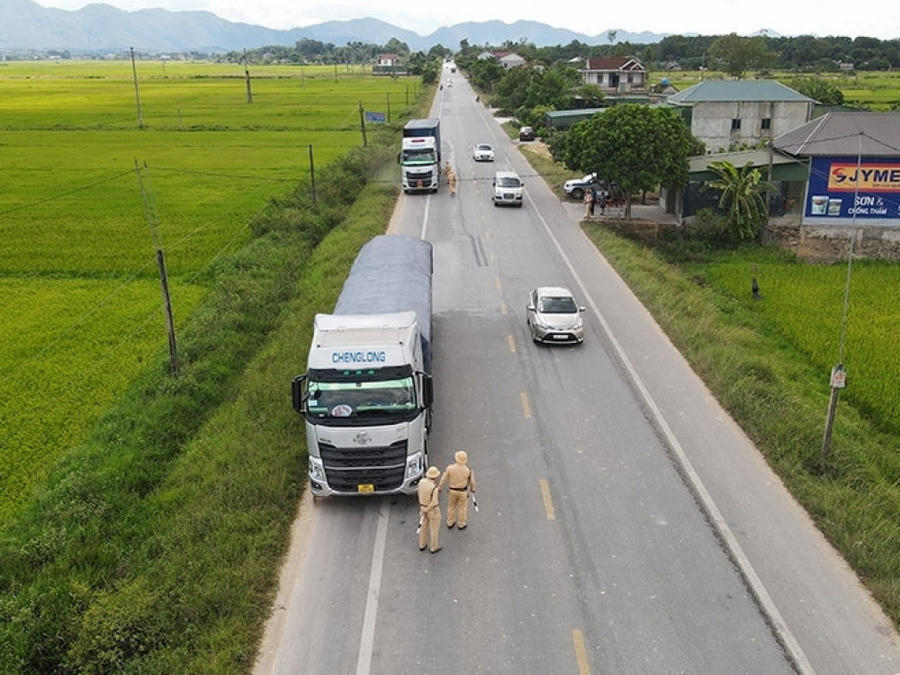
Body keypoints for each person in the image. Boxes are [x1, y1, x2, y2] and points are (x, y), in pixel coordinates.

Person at [439, 451, 476, 530]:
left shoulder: (450, 468)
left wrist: (440, 487)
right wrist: (473, 489)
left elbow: (444, 478)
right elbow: (472, 482)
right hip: (463, 492)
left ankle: (450, 522)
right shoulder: (468, 470)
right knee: (462, 508)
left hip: (452, 491)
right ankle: (461, 524)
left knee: (451, 507)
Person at [418, 466, 442, 553]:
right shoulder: (434, 487)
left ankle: (422, 544)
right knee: (434, 529)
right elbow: (434, 502)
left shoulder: (421, 482)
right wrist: (427, 509)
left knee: (423, 527)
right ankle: (433, 547)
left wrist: (424, 509)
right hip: (432, 510)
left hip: (422, 507)